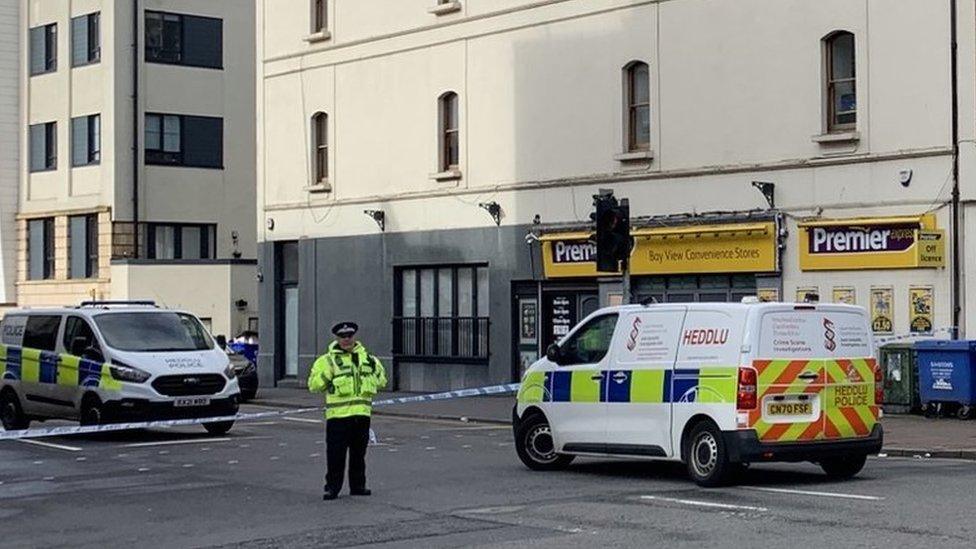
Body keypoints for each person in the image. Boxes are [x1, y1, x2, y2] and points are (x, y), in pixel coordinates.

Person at [308, 321, 387, 500]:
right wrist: (326, 375)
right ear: (337, 338)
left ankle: (358, 486)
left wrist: (375, 376)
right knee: (336, 455)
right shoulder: (327, 361)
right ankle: (332, 488)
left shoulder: (369, 360)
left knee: (359, 454)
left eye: (349, 336)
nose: (346, 340)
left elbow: (382, 381)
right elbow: (313, 385)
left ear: (354, 337)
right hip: (338, 416)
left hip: (362, 415)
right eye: (342, 337)